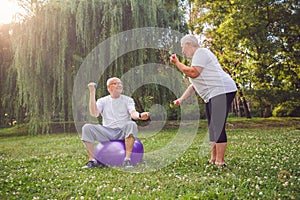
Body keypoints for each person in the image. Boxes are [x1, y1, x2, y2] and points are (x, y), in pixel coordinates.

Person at [170, 34, 237, 167]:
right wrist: (181, 99)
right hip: (212, 94)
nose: (183, 51)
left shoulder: (201, 52)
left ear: (189, 44)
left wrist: (177, 63)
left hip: (222, 90)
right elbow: (193, 84)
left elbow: (194, 73)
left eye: (183, 47)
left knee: (217, 126)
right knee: (212, 127)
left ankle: (220, 161)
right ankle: (213, 158)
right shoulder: (197, 58)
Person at [81, 77, 150, 169]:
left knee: (131, 124)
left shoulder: (128, 100)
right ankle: (92, 160)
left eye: (120, 83)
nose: (119, 85)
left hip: (123, 131)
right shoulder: (102, 101)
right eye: (115, 83)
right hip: (107, 132)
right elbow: (94, 113)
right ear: (109, 88)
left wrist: (140, 115)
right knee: (87, 127)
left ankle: (127, 160)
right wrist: (92, 92)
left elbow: (133, 113)